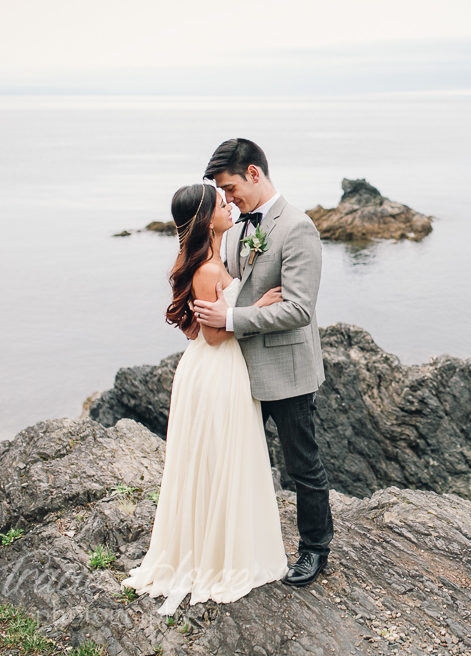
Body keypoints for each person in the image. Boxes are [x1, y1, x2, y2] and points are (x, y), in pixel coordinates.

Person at [121, 183, 289, 615]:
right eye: (220, 204)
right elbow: (214, 335)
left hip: (207, 369)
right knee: (222, 457)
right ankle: (218, 556)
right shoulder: (209, 270)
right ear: (205, 219)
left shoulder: (206, 260)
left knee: (211, 460)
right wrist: (260, 309)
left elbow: (198, 328)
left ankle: (211, 544)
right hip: (218, 370)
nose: (228, 205)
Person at [192, 138, 333, 587]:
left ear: (254, 173)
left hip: (287, 371)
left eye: (231, 188)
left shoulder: (298, 228)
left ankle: (315, 549)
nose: (228, 200)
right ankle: (246, 547)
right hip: (237, 371)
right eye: (223, 194)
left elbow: (299, 309)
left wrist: (233, 317)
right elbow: (228, 287)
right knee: (243, 463)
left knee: (302, 465)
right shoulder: (234, 231)